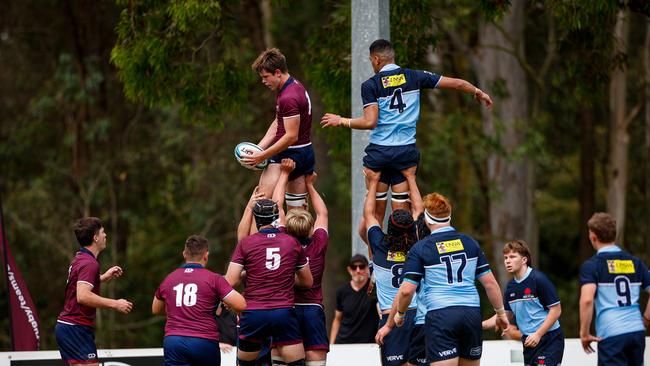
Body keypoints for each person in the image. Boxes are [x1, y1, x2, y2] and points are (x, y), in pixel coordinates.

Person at [321, 39, 493, 226]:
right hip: (405, 152)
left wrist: (342, 121)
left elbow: (370, 122)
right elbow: (458, 84)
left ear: (377, 59)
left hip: (380, 152)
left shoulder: (371, 85)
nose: (372, 64)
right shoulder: (415, 76)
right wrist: (477, 91)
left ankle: (375, 256)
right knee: (401, 217)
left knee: (375, 216)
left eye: (371, 60)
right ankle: (403, 254)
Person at [393, 192, 508, 366]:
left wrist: (400, 314)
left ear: (427, 219)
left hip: (441, 315)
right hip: (471, 313)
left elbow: (407, 290)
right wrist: (500, 313)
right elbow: (490, 283)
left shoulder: (421, 248)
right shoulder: (470, 243)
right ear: (449, 216)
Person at [226, 197, 313, 366]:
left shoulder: (246, 243)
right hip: (283, 313)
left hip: (254, 314)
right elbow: (307, 281)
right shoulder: (292, 242)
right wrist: (284, 277)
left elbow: (231, 280)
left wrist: (250, 273)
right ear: (277, 218)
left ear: (256, 219)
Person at [152, 235, 246, 366]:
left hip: (174, 341)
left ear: (184, 254)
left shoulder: (169, 279)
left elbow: (155, 309)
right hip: (204, 340)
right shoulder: (214, 279)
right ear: (206, 255)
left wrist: (180, 312)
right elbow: (241, 304)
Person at [241, 48, 315, 213]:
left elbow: (290, 136)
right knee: (298, 217)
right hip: (304, 152)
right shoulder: (291, 86)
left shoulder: (288, 97)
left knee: (261, 207)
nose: (263, 81)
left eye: (266, 77)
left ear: (277, 72)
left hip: (287, 153)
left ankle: (254, 240)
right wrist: (259, 147)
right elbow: (278, 122)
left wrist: (262, 155)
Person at [271, 159, 330, 366]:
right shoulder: (319, 242)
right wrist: (310, 186)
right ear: (311, 228)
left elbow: (277, 205)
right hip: (313, 309)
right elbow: (323, 213)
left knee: (280, 358)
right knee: (315, 359)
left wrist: (284, 175)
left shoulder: (283, 242)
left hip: (287, 308)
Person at [364, 167, 422, 366]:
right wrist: (410, 178)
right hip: (418, 314)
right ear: (412, 230)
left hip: (392, 316)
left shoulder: (379, 246)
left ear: (389, 227)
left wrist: (373, 182)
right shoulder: (418, 246)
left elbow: (369, 214)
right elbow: (418, 210)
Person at [55, 217, 133, 366]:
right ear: (95, 238)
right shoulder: (89, 263)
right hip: (75, 327)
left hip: (70, 327)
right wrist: (115, 304)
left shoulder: (81, 258)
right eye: (103, 232)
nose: (106, 235)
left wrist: (102, 278)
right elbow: (83, 296)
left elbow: (78, 284)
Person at [579, 212, 650, 366]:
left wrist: (584, 334)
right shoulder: (635, 262)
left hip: (611, 334)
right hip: (636, 332)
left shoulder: (592, 265)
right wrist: (646, 319)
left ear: (593, 236)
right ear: (614, 235)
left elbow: (587, 300)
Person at [482, 240, 563, 366]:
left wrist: (538, 334)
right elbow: (505, 315)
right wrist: (478, 325)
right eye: (505, 258)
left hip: (549, 339)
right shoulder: (510, 287)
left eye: (512, 257)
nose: (507, 261)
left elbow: (556, 310)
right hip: (528, 342)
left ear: (524, 260)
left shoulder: (538, 280)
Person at [330, 254, 379, 344]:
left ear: (368, 268)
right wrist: (331, 346)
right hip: (344, 343)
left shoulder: (375, 288)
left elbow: (381, 315)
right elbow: (337, 319)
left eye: (361, 267)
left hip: (369, 344)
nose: (358, 270)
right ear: (349, 270)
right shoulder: (342, 291)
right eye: (354, 267)